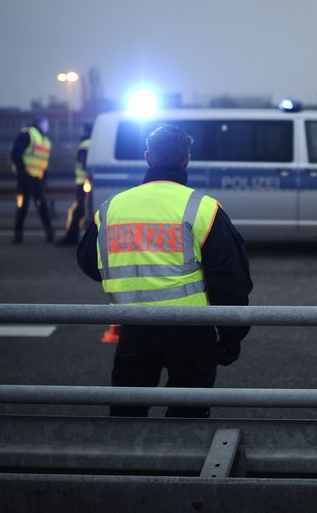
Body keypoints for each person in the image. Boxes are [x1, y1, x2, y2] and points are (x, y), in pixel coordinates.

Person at [77, 124, 253, 418]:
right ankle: (177, 463)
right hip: (191, 330)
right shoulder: (203, 209)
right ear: (186, 159)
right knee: (187, 414)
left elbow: (89, 263)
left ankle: (126, 462)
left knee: (127, 413)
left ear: (148, 158)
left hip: (133, 326)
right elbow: (231, 281)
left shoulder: (111, 208)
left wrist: (131, 280)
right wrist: (231, 337)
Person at [11, 115, 55, 244]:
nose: (48, 127)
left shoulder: (46, 141)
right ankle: (19, 234)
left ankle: (49, 232)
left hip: (37, 179)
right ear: (41, 124)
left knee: (41, 207)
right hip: (26, 178)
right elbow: (15, 154)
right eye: (47, 124)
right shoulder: (28, 134)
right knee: (23, 207)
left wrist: (44, 179)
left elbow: (44, 163)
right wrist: (22, 173)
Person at [57, 122, 93, 246]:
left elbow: (83, 164)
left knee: (79, 211)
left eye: (82, 129)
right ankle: (73, 236)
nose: (80, 132)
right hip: (86, 183)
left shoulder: (85, 145)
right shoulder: (93, 143)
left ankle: (71, 237)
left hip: (83, 183)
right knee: (81, 210)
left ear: (87, 131)